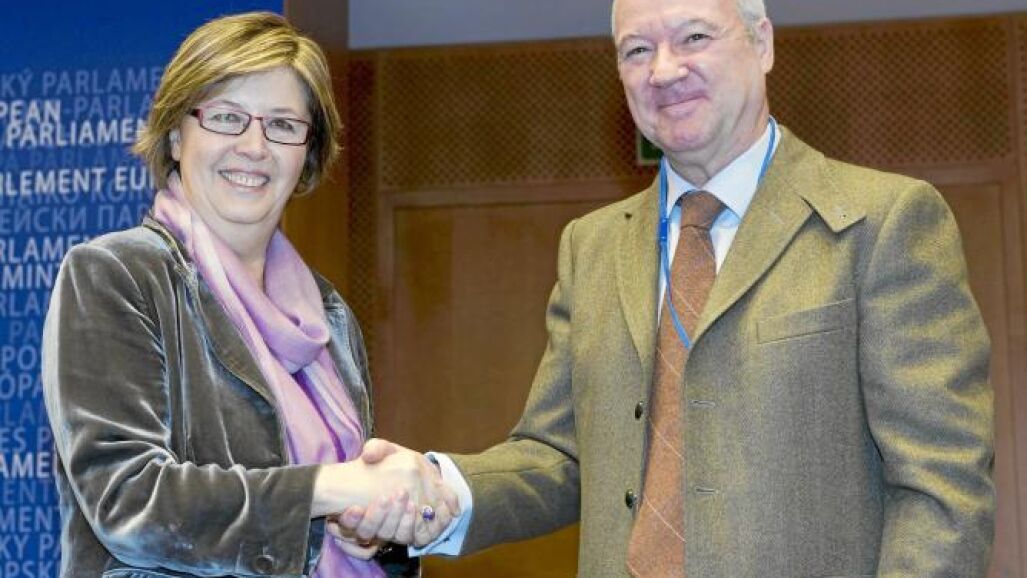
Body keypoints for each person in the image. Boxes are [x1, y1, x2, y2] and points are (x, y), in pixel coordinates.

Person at [343, 0, 996, 575]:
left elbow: (942, 488)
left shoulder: (881, 221)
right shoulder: (591, 247)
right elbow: (560, 456)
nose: (663, 70)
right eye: (636, 50)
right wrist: (438, 492)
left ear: (762, 43)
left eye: (694, 37)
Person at [42, 12, 456, 578]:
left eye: (283, 125)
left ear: (307, 153)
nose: (254, 146)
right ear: (176, 135)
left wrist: (381, 529)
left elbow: (332, 524)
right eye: (227, 118)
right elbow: (130, 503)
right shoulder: (116, 275)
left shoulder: (329, 316)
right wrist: (332, 487)